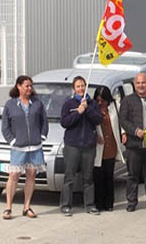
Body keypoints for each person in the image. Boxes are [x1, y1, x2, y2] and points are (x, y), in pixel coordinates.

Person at [0, 75, 48, 220]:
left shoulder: (37, 104)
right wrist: (13, 141)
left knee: (31, 174)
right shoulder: (10, 105)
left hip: (35, 147)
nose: (29, 88)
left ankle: (27, 207)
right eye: (26, 86)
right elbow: (5, 127)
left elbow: (44, 122)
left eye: (30, 86)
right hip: (18, 148)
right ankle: (8, 207)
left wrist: (42, 137)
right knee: (13, 175)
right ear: (18, 86)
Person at [59, 76, 103, 217]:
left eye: (83, 86)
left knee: (88, 178)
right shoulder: (68, 104)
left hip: (88, 146)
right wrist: (78, 112)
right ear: (74, 88)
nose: (81, 88)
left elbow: (98, 119)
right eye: (78, 86)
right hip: (72, 145)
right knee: (69, 177)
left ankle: (89, 205)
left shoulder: (92, 104)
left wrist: (87, 108)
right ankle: (66, 205)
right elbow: (64, 122)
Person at [119, 73, 146, 212]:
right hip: (133, 145)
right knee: (132, 175)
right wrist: (135, 131)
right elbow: (123, 120)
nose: (141, 85)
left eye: (143, 83)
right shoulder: (127, 100)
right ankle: (131, 202)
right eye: (138, 83)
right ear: (134, 84)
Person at [93, 87, 125, 212]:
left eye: (103, 101)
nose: (100, 103)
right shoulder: (93, 109)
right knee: (98, 178)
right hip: (98, 148)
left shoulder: (114, 107)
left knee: (109, 177)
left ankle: (109, 203)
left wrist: (123, 133)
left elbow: (120, 122)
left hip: (111, 145)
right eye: (98, 100)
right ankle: (99, 203)